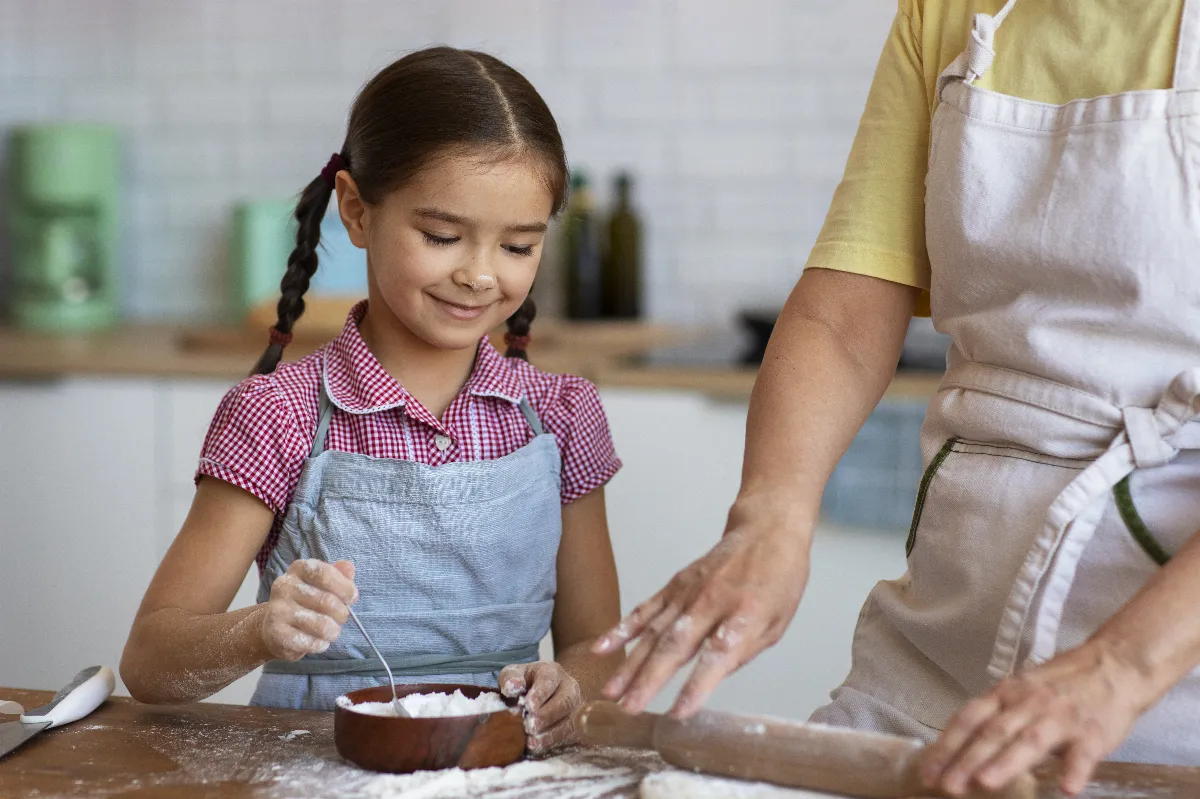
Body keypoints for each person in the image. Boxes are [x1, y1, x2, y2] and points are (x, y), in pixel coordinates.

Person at [593, 0, 1200, 793]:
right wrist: (771, 514)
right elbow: (847, 314)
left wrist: (1120, 666)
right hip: (932, 669)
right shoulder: (948, 14)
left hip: (1166, 704)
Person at [120, 46, 624, 755]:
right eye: (443, 235)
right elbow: (150, 658)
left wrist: (572, 691)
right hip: (314, 768)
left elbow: (594, 648)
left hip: (504, 769)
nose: (480, 275)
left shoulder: (562, 416)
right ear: (356, 211)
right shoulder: (279, 414)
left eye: (517, 246)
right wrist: (260, 628)